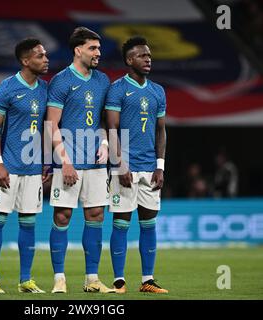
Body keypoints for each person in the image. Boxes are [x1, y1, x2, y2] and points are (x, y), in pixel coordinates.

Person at [46, 27, 114, 293]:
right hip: (69, 161)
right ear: (78, 50)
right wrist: (64, 161)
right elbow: (51, 124)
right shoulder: (61, 81)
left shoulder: (103, 81)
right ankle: (59, 279)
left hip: (96, 163)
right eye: (93, 48)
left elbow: (107, 121)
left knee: (96, 215)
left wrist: (107, 144)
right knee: (62, 216)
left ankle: (92, 279)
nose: (98, 53)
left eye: (98, 48)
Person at [0, 38, 50, 294]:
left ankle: (25, 280)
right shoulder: (7, 88)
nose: (46, 59)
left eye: (45, 55)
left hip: (34, 170)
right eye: (40, 56)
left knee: (28, 223)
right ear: (26, 61)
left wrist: (46, 158)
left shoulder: (45, 89)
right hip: (9, 168)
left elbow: (46, 127)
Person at [105, 36, 169, 294]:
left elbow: (161, 131)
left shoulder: (158, 91)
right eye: (143, 56)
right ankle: (119, 281)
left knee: (148, 223)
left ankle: (148, 280)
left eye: (150, 56)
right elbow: (111, 128)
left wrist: (160, 166)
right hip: (126, 168)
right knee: (121, 223)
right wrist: (120, 164)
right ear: (130, 60)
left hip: (150, 169)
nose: (148, 59)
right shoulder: (118, 89)